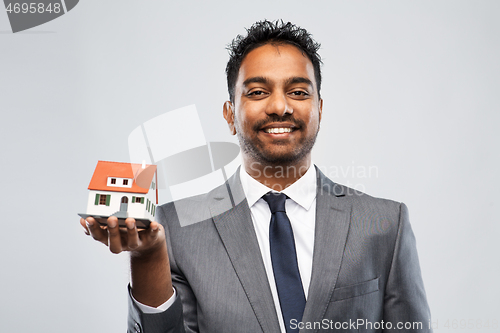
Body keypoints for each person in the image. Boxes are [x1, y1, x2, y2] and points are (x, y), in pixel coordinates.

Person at [81, 20, 432, 333]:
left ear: (319, 109)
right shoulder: (176, 227)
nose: (280, 106)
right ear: (230, 115)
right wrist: (147, 258)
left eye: (298, 92)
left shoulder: (386, 223)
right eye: (257, 92)